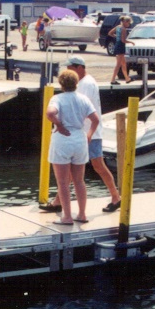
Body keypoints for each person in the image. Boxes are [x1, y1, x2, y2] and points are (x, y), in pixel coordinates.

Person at [49, 56, 122, 213]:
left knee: (98, 166)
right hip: (83, 133)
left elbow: (81, 108)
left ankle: (116, 197)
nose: (69, 71)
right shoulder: (83, 82)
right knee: (76, 169)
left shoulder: (86, 84)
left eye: (71, 68)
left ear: (80, 67)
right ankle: (57, 201)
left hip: (89, 133)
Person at [46, 69, 99, 225]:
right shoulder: (83, 99)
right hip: (79, 139)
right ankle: (82, 214)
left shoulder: (57, 98)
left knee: (63, 182)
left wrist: (59, 124)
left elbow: (50, 113)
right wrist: (89, 134)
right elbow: (95, 120)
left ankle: (67, 217)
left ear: (61, 83)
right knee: (79, 181)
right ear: (76, 83)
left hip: (63, 140)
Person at [108, 15, 133, 85]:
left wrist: (116, 36)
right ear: (125, 22)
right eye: (128, 23)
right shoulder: (123, 29)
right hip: (121, 46)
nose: (129, 24)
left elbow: (110, 33)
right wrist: (131, 42)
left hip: (117, 45)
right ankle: (113, 80)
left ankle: (127, 78)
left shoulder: (118, 27)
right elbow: (123, 40)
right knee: (118, 64)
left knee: (123, 63)